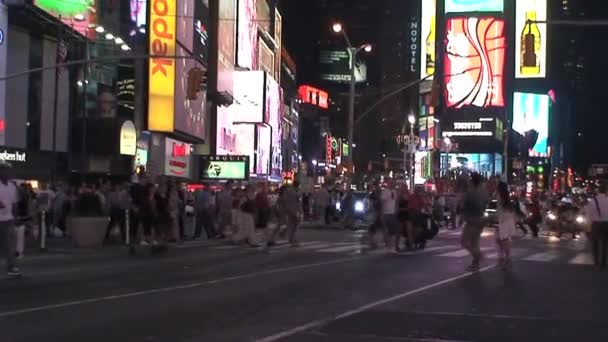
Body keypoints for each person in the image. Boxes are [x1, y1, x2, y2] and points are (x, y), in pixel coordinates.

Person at [460, 173, 489, 272]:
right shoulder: (484, 193)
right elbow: (485, 204)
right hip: (481, 220)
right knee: (475, 243)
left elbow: (463, 206)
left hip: (472, 220)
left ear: (472, 181)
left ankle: (478, 256)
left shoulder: (470, 193)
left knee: (464, 242)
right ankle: (475, 264)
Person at [0, 163, 20, 276]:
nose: (7, 173)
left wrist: (15, 217)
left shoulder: (12, 186)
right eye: (5, 170)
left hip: (8, 219)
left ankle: (11, 266)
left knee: (10, 244)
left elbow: (14, 204)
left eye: (9, 171)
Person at [584, 182, 608, 269]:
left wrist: (588, 225)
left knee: (595, 244)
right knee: (605, 244)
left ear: (598, 191)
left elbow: (588, 214)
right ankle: (603, 263)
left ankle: (596, 263)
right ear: (606, 190)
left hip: (596, 224)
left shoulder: (593, 201)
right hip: (606, 224)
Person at [496, 182, 516, 270]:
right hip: (507, 219)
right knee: (501, 239)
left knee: (503, 239)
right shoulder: (506, 197)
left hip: (504, 220)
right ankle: (504, 256)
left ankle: (507, 258)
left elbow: (499, 210)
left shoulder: (500, 197)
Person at [380, 183, 399, 253]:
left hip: (392, 213)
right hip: (386, 213)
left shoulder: (394, 191)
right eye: (391, 182)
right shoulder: (385, 191)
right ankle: (388, 245)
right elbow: (382, 202)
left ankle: (392, 246)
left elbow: (396, 201)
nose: (393, 184)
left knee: (393, 230)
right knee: (386, 230)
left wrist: (396, 210)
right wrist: (382, 213)